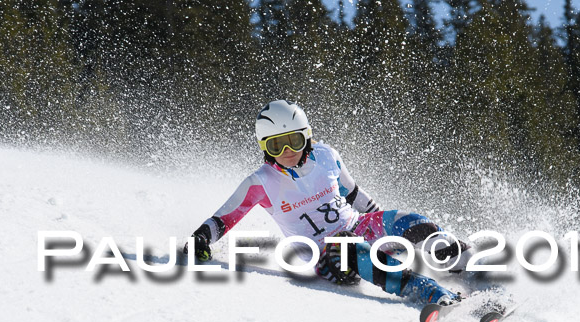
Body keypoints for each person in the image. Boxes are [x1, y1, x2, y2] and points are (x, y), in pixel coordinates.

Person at [185, 100, 473, 307]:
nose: (286, 152)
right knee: (349, 245)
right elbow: (223, 219)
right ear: (264, 147)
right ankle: (427, 291)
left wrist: (391, 227)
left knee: (413, 221)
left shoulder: (325, 155)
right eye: (276, 145)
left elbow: (353, 195)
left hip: (357, 225)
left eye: (293, 141)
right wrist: (199, 239)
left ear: (307, 138)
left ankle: (463, 260)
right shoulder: (260, 183)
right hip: (326, 254)